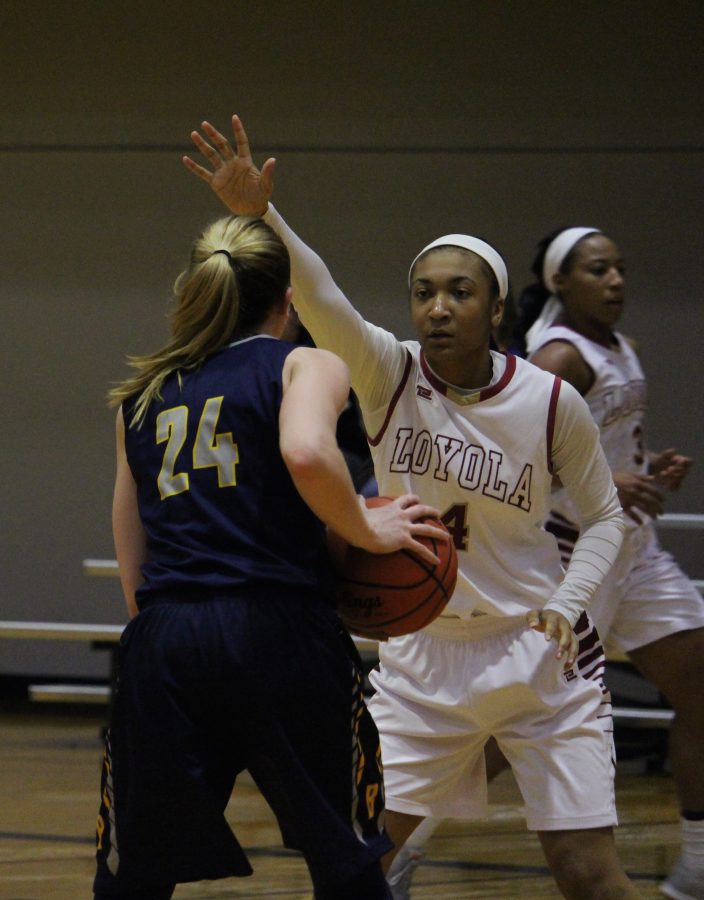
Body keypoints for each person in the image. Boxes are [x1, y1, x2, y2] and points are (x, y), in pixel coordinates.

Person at [183, 115, 640, 899]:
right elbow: (323, 297)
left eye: (459, 293)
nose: (436, 308)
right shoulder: (386, 372)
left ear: (496, 310)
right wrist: (263, 216)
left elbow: (604, 517)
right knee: (359, 866)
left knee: (588, 875)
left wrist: (570, 601)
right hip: (421, 656)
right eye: (423, 293)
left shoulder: (551, 399)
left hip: (538, 651)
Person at [93, 212, 449, 899]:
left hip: (164, 639)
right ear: (288, 302)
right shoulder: (305, 363)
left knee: (134, 871)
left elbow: (131, 556)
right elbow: (309, 452)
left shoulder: (140, 398)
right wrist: (368, 533)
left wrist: (174, 631)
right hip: (277, 629)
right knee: (345, 858)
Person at [520, 226, 704, 900]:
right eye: (599, 270)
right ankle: (400, 846)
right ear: (559, 281)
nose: (617, 280)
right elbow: (508, 462)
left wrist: (645, 470)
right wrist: (594, 487)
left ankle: (697, 865)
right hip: (573, 556)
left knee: (700, 684)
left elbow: (605, 442)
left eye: (620, 268)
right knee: (504, 722)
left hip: (635, 548)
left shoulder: (619, 345)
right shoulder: (558, 356)